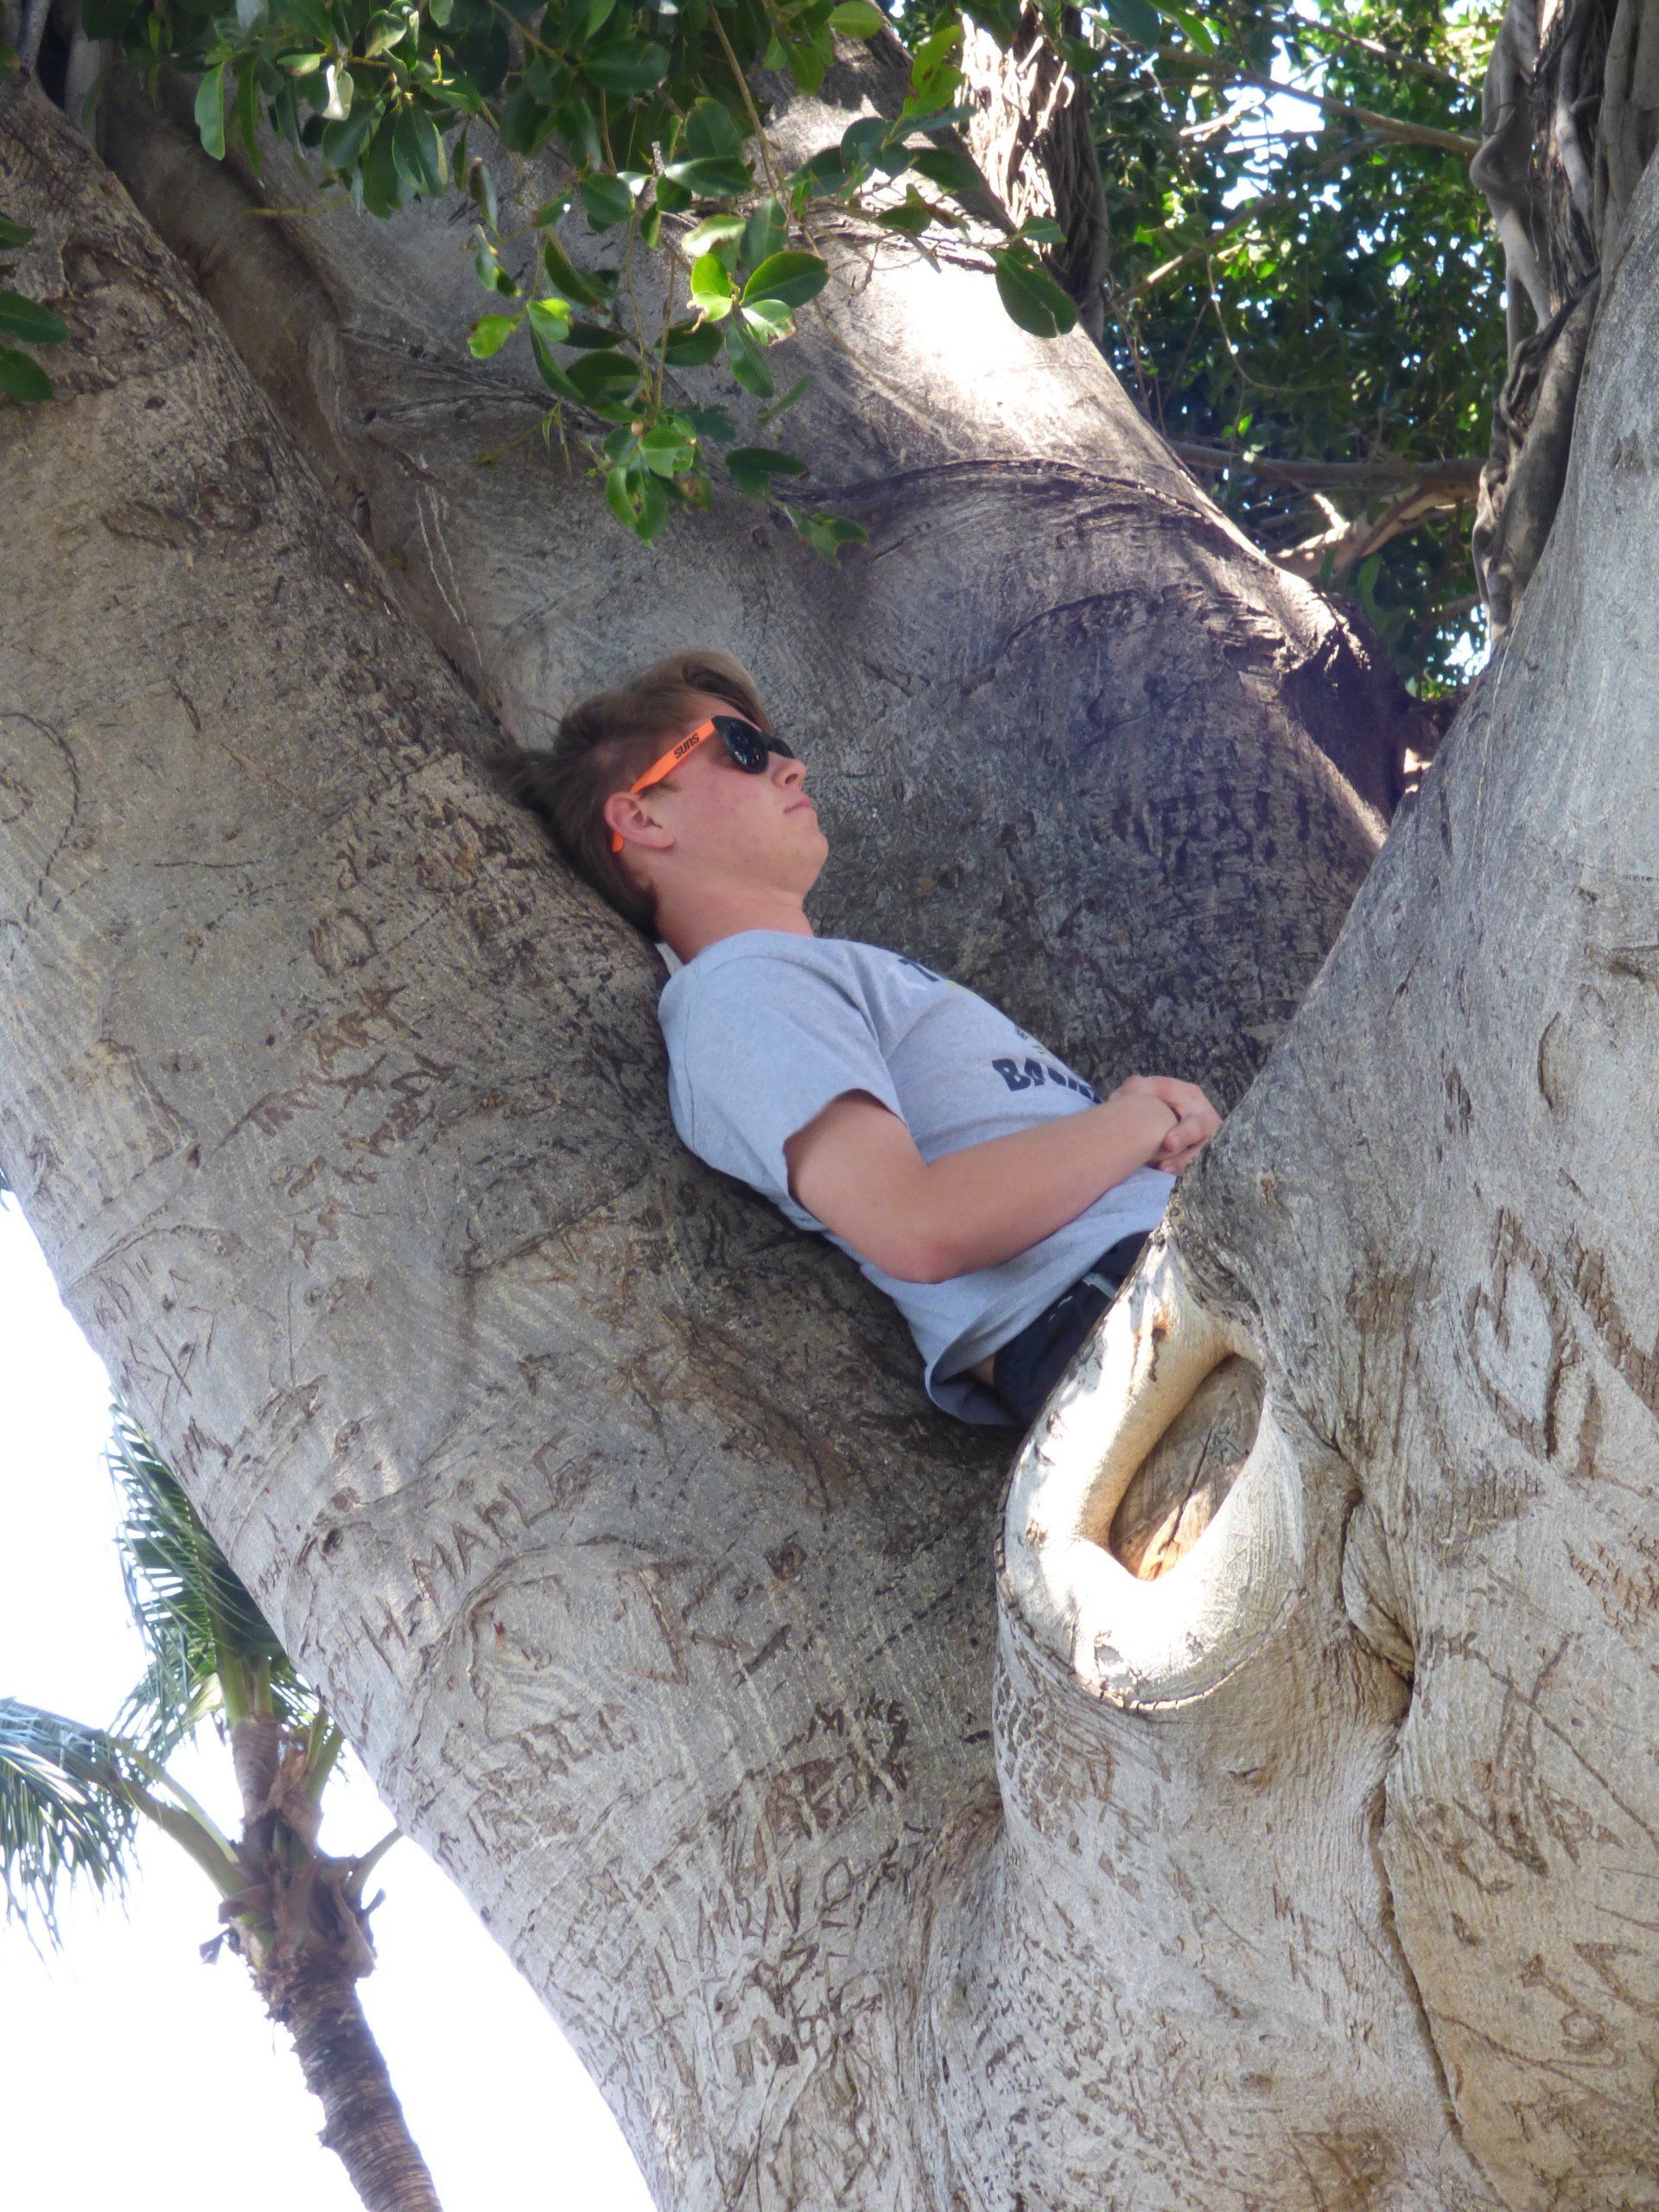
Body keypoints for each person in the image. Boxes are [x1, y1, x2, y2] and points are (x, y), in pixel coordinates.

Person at [489, 648, 1220, 1427]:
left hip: (1159, 1280)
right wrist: (1134, 1123)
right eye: (742, 750)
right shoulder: (738, 995)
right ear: (641, 816)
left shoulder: (800, 976)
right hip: (1118, 1309)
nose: (792, 768)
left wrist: (1161, 1133)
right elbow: (915, 1225)